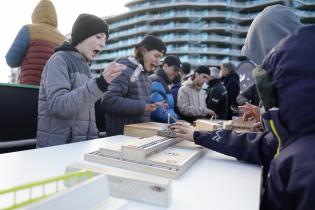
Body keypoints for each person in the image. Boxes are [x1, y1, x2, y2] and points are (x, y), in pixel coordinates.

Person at [173, 25, 315, 210]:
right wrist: (200, 135)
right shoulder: (295, 137)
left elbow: (261, 144)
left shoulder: (305, 164)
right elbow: (264, 144)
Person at [36, 14, 125, 147]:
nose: (103, 44)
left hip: (79, 149)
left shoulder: (86, 68)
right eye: (98, 37)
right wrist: (100, 84)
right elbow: (60, 106)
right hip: (57, 150)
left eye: (105, 40)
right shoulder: (59, 60)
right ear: (82, 35)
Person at [101, 35, 166, 136]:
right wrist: (144, 107)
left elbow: (137, 102)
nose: (158, 61)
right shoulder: (123, 69)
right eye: (156, 56)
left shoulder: (147, 78)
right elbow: (109, 101)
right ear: (144, 51)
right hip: (120, 138)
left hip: (138, 137)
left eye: (160, 58)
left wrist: (153, 105)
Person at [6, 0, 65, 85]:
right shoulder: (63, 39)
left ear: (35, 14)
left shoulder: (28, 30)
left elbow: (11, 60)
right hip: (50, 93)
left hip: (28, 88)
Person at [150, 55, 181, 123]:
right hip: (156, 126)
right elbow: (158, 113)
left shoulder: (162, 81)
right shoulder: (157, 81)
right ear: (165, 66)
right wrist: (176, 120)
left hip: (159, 125)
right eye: (175, 70)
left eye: (178, 71)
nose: (176, 74)